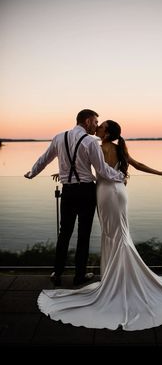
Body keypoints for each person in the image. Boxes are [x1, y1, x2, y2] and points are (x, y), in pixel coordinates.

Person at [37, 120, 162, 331]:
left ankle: (117, 280)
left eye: (101, 126)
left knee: (112, 234)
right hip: (119, 192)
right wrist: (160, 172)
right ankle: (120, 277)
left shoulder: (97, 147)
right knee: (120, 233)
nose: (97, 127)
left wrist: (66, 174)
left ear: (105, 133)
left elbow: (90, 168)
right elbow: (137, 165)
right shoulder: (118, 148)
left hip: (105, 192)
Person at [24, 110, 125, 287]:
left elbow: (44, 159)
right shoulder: (90, 142)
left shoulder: (58, 138)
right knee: (83, 235)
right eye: (95, 122)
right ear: (87, 121)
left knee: (64, 233)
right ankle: (79, 276)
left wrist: (32, 173)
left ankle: (57, 272)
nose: (96, 126)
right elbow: (102, 170)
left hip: (68, 192)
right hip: (86, 192)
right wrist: (120, 176)